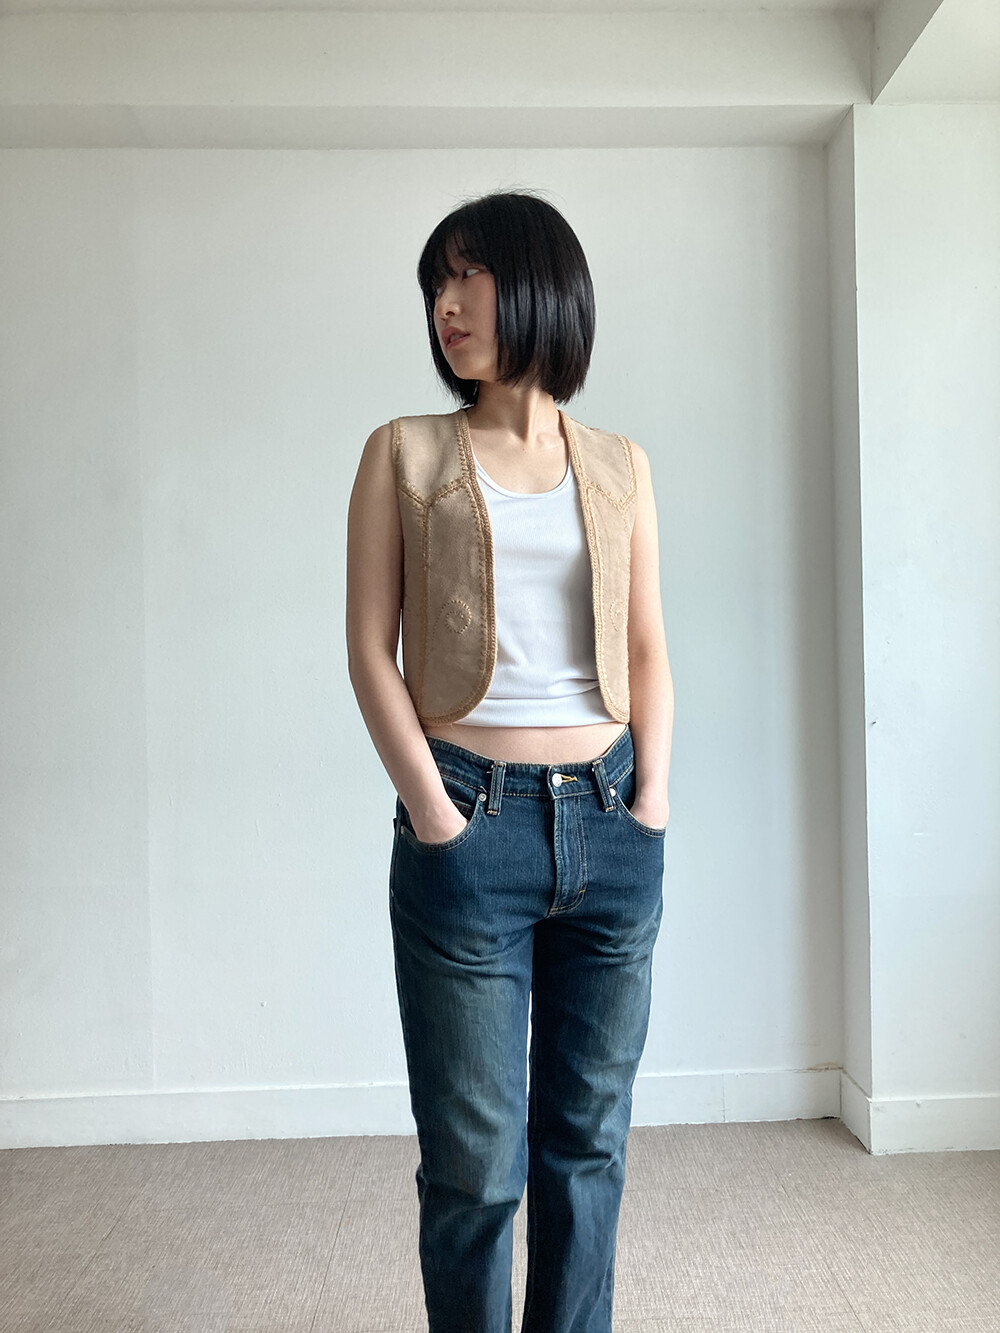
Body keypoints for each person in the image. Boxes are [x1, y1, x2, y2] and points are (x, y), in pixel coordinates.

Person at [345, 188, 674, 1333]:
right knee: (475, 1168)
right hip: (467, 824)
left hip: (611, 823)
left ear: (539, 284)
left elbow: (647, 648)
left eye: (467, 274)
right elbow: (370, 650)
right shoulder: (404, 452)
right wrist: (433, 813)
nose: (446, 303)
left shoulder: (620, 464)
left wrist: (651, 800)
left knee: (587, 1149)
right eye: (436, 283)